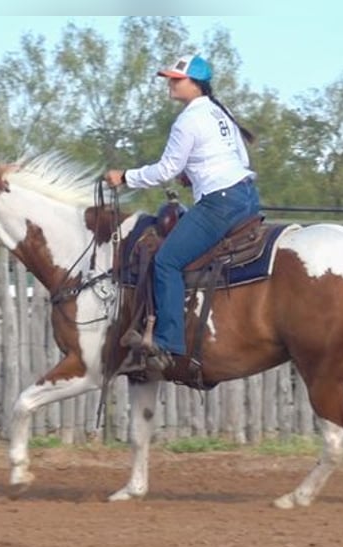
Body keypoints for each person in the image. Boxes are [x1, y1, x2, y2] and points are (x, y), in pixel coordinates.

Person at [105, 54, 260, 371]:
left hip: (219, 202)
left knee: (166, 261)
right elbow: (239, 158)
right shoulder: (221, 114)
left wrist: (125, 177)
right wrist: (194, 175)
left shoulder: (188, 120)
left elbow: (166, 169)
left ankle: (169, 341)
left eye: (177, 79)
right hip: (247, 197)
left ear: (195, 84)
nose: (170, 83)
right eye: (170, 78)